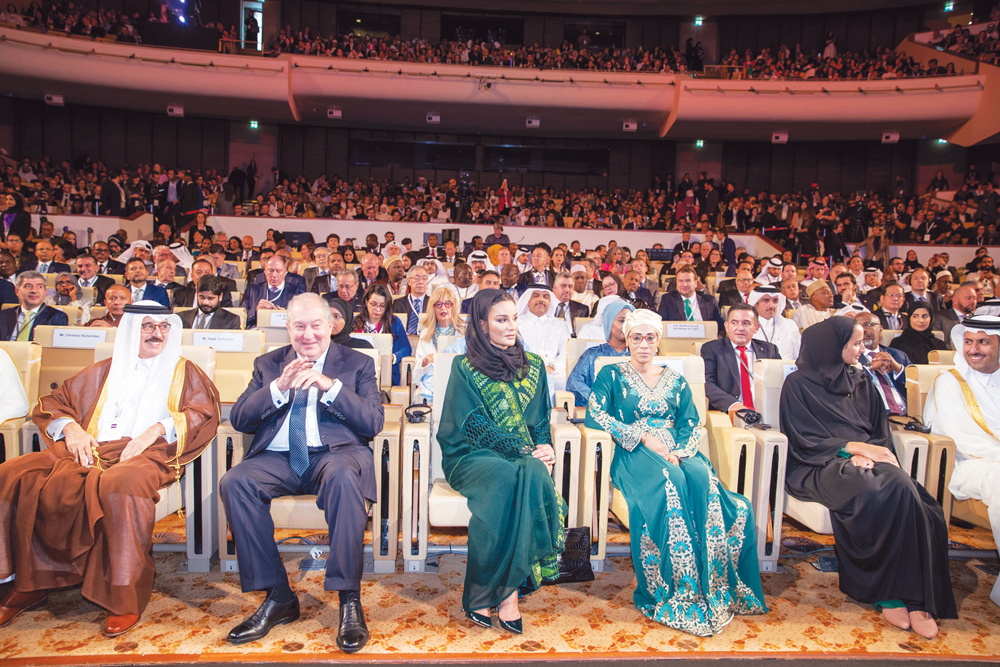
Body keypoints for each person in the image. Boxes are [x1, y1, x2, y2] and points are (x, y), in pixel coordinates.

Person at [0, 302, 220, 637]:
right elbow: (53, 403)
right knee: (13, 474)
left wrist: (157, 429)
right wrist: (71, 429)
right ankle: (30, 580)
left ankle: (123, 596)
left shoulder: (184, 371)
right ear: (131, 329)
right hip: (87, 448)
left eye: (163, 327)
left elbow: (203, 411)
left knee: (119, 486)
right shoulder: (103, 369)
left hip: (147, 455)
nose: (157, 333)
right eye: (147, 326)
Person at [585, 308, 766, 635]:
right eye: (636, 338)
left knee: (704, 481)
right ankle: (677, 592)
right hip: (635, 452)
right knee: (671, 483)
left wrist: (680, 451)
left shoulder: (676, 379)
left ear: (659, 341)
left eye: (649, 338)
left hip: (679, 450)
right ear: (627, 341)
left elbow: (692, 422)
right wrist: (641, 435)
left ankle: (713, 586)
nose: (643, 344)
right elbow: (595, 415)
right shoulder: (611, 375)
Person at [220, 293, 384, 652]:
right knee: (236, 481)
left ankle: (348, 598)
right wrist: (278, 388)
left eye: (315, 325)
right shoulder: (268, 363)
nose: (308, 334)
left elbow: (373, 421)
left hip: (334, 454)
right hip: (279, 458)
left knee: (343, 478)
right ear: (288, 328)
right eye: (299, 326)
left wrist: (330, 387)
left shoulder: (357, 363)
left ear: (330, 325)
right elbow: (240, 418)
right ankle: (278, 596)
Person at [780, 317, 956, 638]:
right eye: (856, 344)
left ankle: (918, 597)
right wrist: (849, 449)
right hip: (817, 465)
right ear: (834, 347)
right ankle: (887, 593)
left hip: (867, 457)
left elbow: (879, 431)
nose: (864, 349)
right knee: (869, 491)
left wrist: (870, 450)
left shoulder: (861, 379)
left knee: (911, 494)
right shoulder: (798, 385)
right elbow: (803, 438)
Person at [436, 289, 565, 634]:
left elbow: (539, 421)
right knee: (509, 477)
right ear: (482, 324)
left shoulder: (534, 365)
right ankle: (495, 590)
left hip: (520, 454)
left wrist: (545, 448)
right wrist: (525, 451)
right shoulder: (464, 366)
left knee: (532, 472)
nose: (511, 327)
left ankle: (507, 593)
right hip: (469, 454)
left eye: (514, 318)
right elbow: (473, 426)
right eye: (501, 320)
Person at [923, 315, 1000, 606]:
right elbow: (962, 438)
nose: (973, 349)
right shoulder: (950, 382)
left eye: (983, 342)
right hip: (971, 465)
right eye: (968, 342)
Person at [702, 303, 782, 416]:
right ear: (726, 326)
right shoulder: (712, 349)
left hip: (767, 412)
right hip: (731, 413)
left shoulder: (770, 350)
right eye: (734, 323)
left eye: (746, 323)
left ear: (756, 327)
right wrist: (733, 405)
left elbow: (780, 382)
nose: (740, 328)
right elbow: (707, 383)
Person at [566, 298, 634, 407]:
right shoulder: (592, 355)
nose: (626, 325)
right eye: (621, 321)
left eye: (630, 322)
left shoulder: (641, 355)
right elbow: (574, 384)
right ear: (609, 323)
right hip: (599, 413)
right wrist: (600, 400)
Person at [516, 285, 570, 402]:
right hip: (526, 371)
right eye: (536, 295)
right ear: (527, 301)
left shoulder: (560, 325)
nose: (541, 299)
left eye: (545, 297)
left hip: (555, 371)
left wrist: (553, 367)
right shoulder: (517, 323)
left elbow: (567, 351)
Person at [354, 283, 411, 386]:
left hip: (386, 373)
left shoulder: (394, 322)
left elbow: (406, 348)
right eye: (374, 304)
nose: (378, 309)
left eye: (382, 306)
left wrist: (393, 357)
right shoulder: (355, 322)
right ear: (367, 302)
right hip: (358, 371)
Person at [855, 312, 910, 415]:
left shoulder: (898, 355)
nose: (863, 330)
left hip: (907, 415)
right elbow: (850, 381)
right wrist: (871, 368)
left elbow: (916, 384)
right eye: (858, 326)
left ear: (880, 329)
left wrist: (898, 369)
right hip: (872, 416)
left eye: (868, 324)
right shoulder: (850, 357)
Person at [412, 285, 464, 391]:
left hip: (457, 382)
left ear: (454, 307)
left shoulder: (463, 331)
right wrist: (425, 360)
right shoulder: (426, 333)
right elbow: (415, 377)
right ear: (433, 308)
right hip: (432, 383)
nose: (443, 308)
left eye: (448, 304)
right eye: (438, 304)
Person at [1, 271, 69, 340]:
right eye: (28, 286)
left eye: (39, 286)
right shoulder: (3, 315)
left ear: (45, 292)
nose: (34, 290)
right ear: (17, 291)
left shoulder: (57, 317)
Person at [243, 255, 306, 328]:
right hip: (257, 331)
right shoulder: (252, 290)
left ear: (285, 273)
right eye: (271, 271)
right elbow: (242, 317)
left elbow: (302, 319)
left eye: (278, 271)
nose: (274, 275)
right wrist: (257, 312)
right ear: (265, 272)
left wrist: (286, 315)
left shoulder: (297, 292)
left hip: (285, 333)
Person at [657, 265, 724, 329]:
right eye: (681, 281)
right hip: (677, 339)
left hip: (704, 339)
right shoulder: (668, 300)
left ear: (695, 283)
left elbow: (720, 327)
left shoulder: (709, 301)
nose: (684, 284)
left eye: (688, 280)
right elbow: (661, 325)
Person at [749, 285, 800, 361]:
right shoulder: (748, 327)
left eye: (775, 301)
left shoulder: (790, 325)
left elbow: (798, 356)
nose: (772, 305)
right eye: (766, 300)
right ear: (756, 304)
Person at [392, 266, 430, 335]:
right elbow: (392, 325)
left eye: (424, 279)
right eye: (417, 278)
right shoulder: (398, 303)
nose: (421, 282)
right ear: (409, 281)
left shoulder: (432, 303)